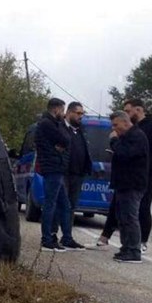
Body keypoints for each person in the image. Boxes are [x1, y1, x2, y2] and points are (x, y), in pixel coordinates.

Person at [98, 110, 148, 262]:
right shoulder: (126, 137)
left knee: (130, 217)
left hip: (132, 184)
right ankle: (126, 247)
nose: (114, 129)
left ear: (126, 122)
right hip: (123, 183)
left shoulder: (137, 136)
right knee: (122, 218)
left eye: (116, 125)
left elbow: (124, 154)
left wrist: (114, 142)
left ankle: (134, 250)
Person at [36, 98, 80, 251]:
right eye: (62, 110)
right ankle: (46, 239)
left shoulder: (54, 124)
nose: (62, 113)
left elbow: (66, 140)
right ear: (56, 109)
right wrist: (60, 143)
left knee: (65, 205)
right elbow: (65, 138)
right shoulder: (46, 124)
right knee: (51, 204)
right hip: (52, 167)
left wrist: (61, 143)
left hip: (58, 167)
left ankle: (67, 237)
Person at [124, 99, 152, 251]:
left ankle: (143, 242)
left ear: (138, 110)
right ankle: (126, 242)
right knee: (128, 209)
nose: (126, 114)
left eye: (128, 111)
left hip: (148, 175)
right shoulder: (132, 128)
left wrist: (145, 164)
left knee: (143, 207)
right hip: (131, 174)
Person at [59, 102, 92, 247]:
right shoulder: (60, 128)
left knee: (71, 206)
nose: (81, 116)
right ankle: (52, 235)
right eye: (78, 113)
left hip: (78, 174)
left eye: (82, 114)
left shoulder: (81, 131)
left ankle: (67, 237)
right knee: (60, 205)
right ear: (69, 113)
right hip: (64, 173)